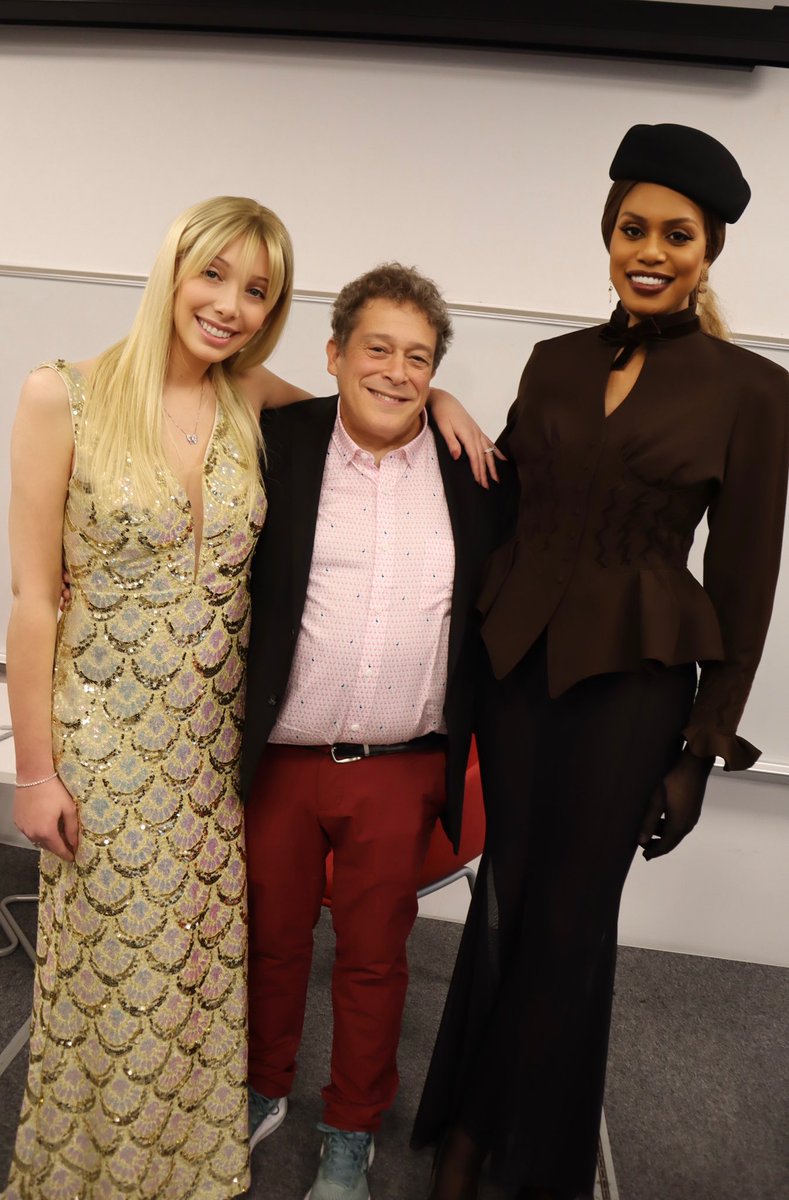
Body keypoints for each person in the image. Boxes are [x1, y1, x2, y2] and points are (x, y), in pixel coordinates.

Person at [4, 197, 489, 1200]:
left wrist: (442, 403)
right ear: (173, 269)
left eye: (255, 290)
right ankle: (97, 1167)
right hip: (119, 747)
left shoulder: (244, 394)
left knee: (196, 973)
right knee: (116, 978)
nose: (228, 306)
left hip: (215, 753)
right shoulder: (66, 394)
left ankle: (219, 1153)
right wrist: (36, 769)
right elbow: (32, 598)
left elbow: (379, 392)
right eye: (214, 276)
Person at [413, 124, 789, 1200]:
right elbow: (507, 499)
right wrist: (439, 401)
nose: (652, 250)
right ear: (608, 236)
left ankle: (519, 1153)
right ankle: (473, 1122)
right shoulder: (555, 360)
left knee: (575, 923)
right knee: (506, 903)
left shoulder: (755, 393)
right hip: (518, 674)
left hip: (634, 693)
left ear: (710, 250)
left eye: (679, 233)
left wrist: (701, 752)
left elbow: (747, 584)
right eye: (634, 228)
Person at [239, 264, 502, 1200]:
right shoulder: (281, 439)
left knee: (373, 957)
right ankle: (260, 1086)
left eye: (419, 359)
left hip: (398, 765)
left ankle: (350, 1129)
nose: (395, 372)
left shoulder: (472, 470)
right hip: (279, 757)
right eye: (377, 349)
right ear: (335, 354)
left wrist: (451, 403)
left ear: (435, 374)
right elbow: (206, 370)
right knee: (267, 938)